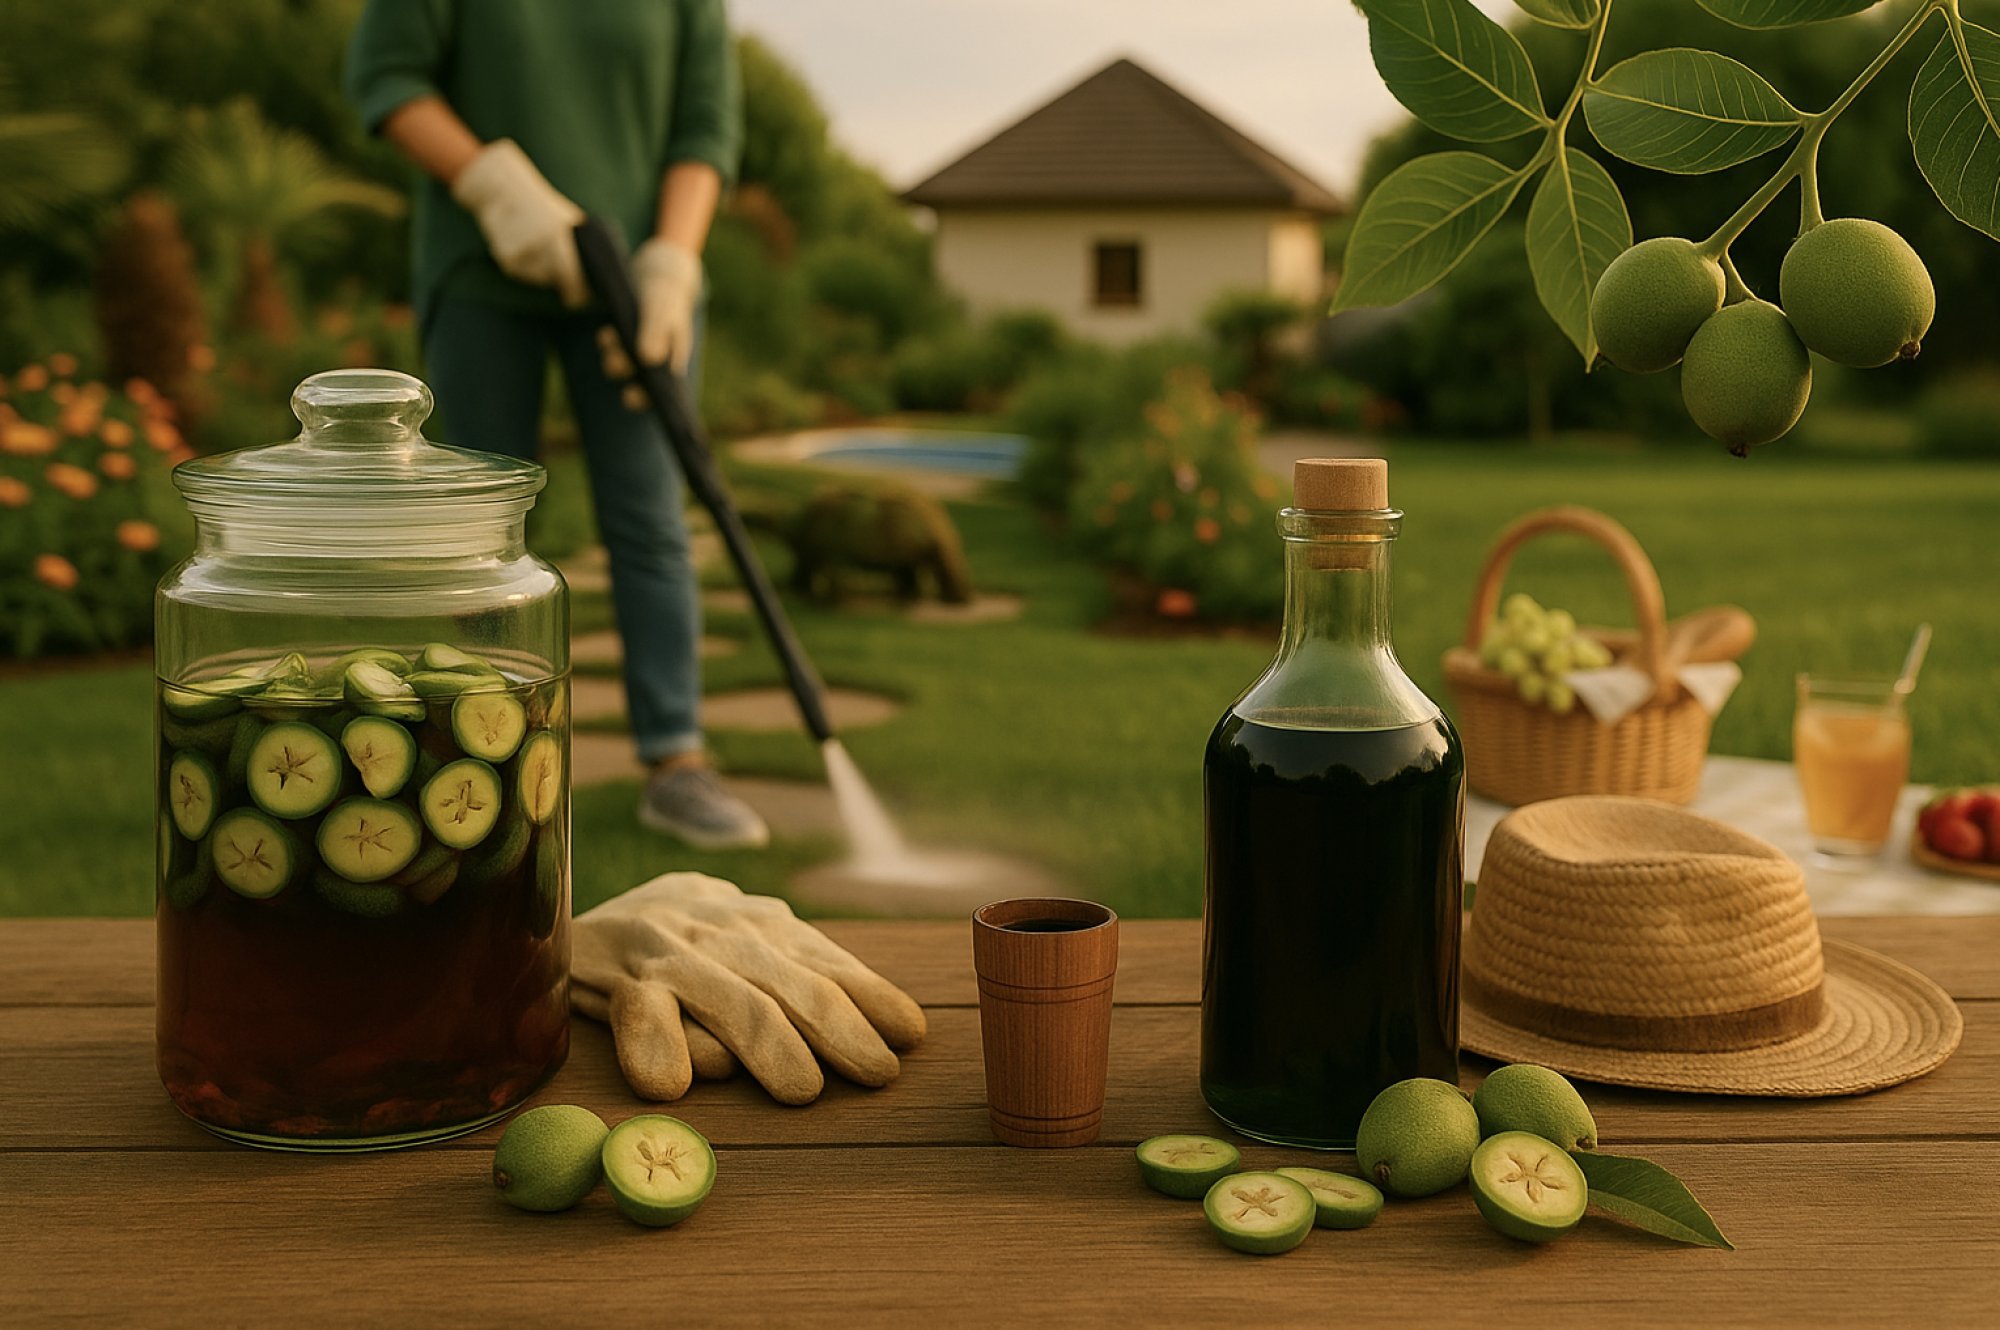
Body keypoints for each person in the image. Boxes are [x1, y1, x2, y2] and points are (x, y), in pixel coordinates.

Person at [345, 0, 769, 849]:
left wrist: (675, 259)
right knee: (476, 533)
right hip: (481, 270)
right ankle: (480, 756)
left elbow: (703, 128)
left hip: (636, 284)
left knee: (651, 518)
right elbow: (386, 79)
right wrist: (492, 184)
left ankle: (676, 762)